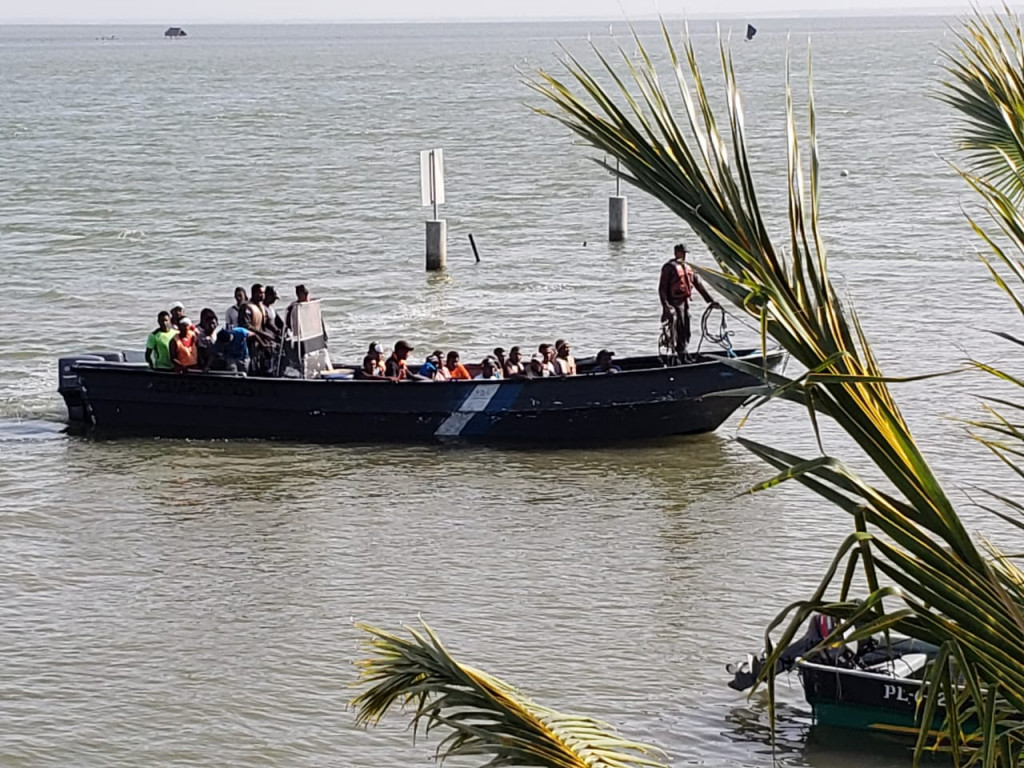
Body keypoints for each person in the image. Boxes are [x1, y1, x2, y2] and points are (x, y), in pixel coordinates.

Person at [659, 243, 718, 359]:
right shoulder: (669, 268)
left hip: (685, 303)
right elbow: (662, 289)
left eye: (685, 253)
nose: (684, 256)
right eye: (682, 253)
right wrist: (666, 307)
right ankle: (680, 355)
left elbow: (698, 285)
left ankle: (684, 353)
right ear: (676, 253)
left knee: (686, 330)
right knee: (678, 330)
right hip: (675, 304)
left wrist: (710, 301)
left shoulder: (688, 267)